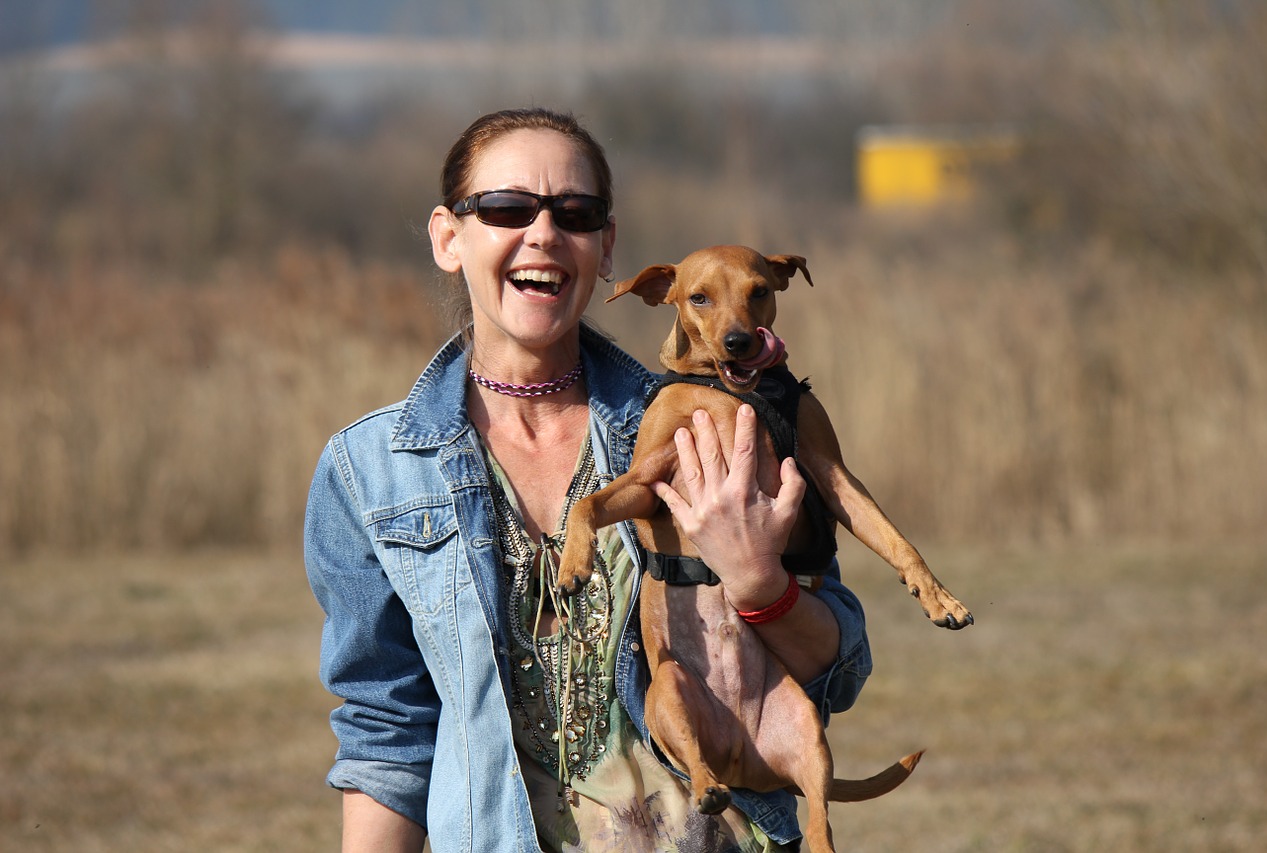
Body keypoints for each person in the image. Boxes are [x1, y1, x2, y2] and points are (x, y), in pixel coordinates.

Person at [303, 107, 874, 853]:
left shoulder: (710, 425)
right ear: (449, 237)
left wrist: (761, 585)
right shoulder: (369, 470)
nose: (543, 232)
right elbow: (388, 734)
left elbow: (841, 670)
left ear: (606, 247)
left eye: (574, 213)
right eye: (507, 208)